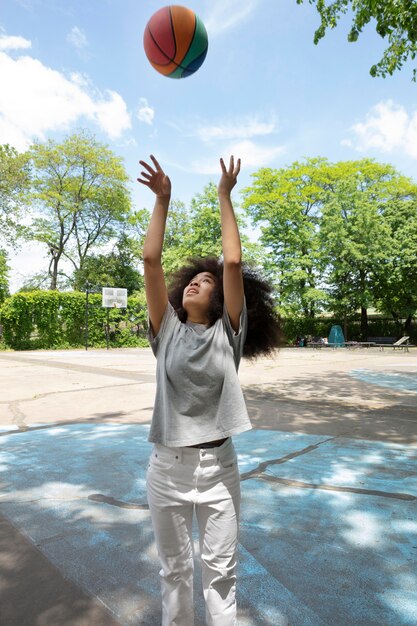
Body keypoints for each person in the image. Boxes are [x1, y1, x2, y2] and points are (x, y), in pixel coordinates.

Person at [137, 154, 282, 626]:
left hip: (219, 469)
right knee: (174, 571)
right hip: (168, 468)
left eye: (207, 281)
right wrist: (163, 199)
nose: (197, 283)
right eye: (193, 280)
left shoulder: (228, 334)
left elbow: (233, 260)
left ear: (220, 299)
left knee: (220, 574)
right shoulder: (167, 332)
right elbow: (151, 260)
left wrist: (224, 195)